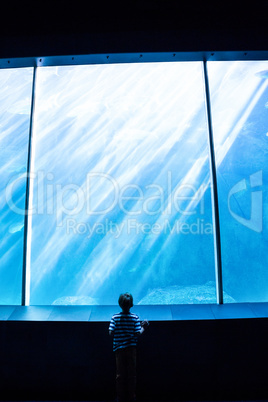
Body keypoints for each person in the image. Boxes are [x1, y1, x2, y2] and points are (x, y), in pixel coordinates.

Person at [109, 292, 149, 402]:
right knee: (131, 373)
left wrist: (120, 332)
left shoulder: (115, 317)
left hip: (119, 349)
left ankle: (120, 397)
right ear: (132, 304)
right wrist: (143, 327)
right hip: (131, 349)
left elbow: (111, 332)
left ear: (119, 304)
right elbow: (138, 333)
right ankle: (131, 396)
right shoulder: (135, 317)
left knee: (120, 374)